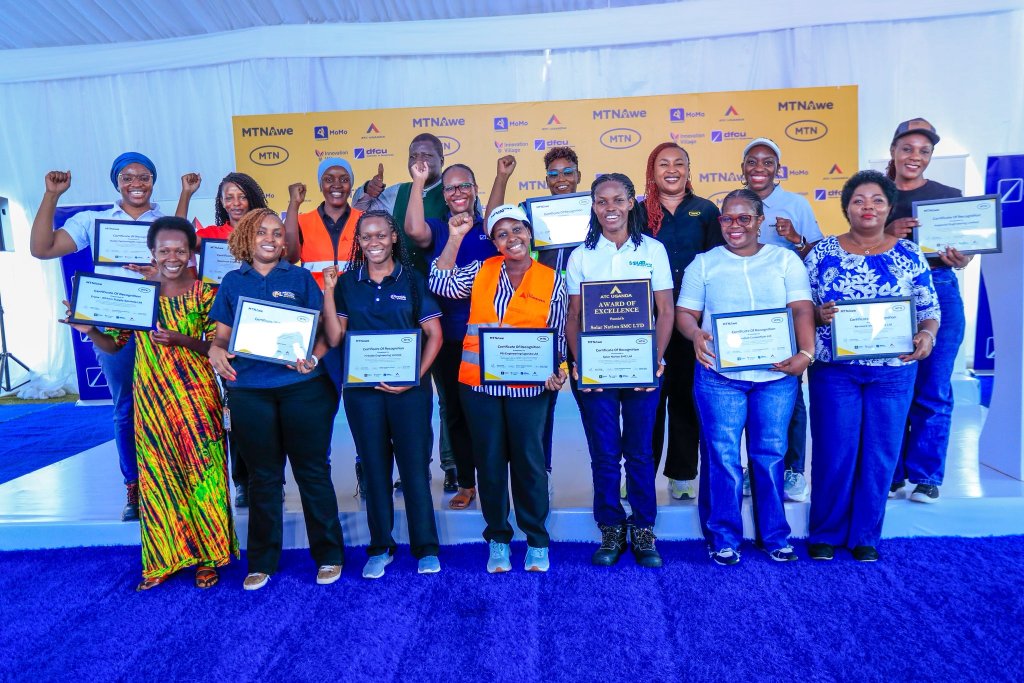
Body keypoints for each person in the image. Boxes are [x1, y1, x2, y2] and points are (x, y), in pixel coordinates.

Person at [67, 216, 237, 590]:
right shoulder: (138, 294)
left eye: (180, 249)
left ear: (192, 251)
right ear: (152, 253)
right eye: (164, 250)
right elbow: (114, 344)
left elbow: (219, 349)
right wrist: (90, 329)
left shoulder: (209, 293)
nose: (172, 256)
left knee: (203, 477)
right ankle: (165, 557)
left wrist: (181, 339)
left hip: (195, 399)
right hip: (152, 400)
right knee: (159, 479)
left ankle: (209, 556)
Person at [805, 170, 939, 562]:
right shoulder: (822, 252)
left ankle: (865, 534)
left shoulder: (910, 253)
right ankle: (826, 532)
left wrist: (926, 336)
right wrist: (816, 313)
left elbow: (929, 311)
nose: (868, 207)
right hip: (835, 370)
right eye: (859, 200)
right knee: (835, 451)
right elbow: (800, 310)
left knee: (880, 453)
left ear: (889, 207)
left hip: (894, 371)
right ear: (846, 206)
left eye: (877, 200)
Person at [675, 189, 815, 566]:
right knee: (722, 458)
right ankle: (723, 537)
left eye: (744, 218)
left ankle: (774, 536)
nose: (734, 226)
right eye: (727, 219)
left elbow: (802, 308)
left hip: (776, 376)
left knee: (769, 456)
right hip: (719, 375)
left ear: (759, 221)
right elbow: (685, 313)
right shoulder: (703, 264)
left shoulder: (785, 260)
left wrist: (806, 353)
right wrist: (694, 334)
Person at [209, 208, 345, 590]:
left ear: (285, 243)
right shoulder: (233, 282)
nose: (270, 238)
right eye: (262, 232)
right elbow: (221, 337)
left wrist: (315, 357)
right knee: (263, 478)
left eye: (277, 233)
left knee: (312, 472)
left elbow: (321, 333)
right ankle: (263, 561)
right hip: (250, 390)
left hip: (303, 389)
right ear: (247, 238)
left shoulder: (300, 278)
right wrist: (215, 352)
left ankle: (330, 554)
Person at [430, 204, 568, 573]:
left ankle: (537, 540)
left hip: (531, 387)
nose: (512, 239)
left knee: (530, 463)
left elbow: (557, 333)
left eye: (517, 230)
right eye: (502, 234)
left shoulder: (553, 278)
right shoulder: (481, 271)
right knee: (489, 464)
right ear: (493, 242)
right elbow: (440, 281)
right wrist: (456, 237)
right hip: (480, 387)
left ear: (529, 232)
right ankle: (498, 538)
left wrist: (560, 369)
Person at [30, 153, 165, 522]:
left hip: (161, 325)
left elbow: (185, 273)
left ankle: (166, 483)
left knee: (166, 407)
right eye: (127, 176)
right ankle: (134, 488)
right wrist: (51, 196)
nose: (136, 182)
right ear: (116, 182)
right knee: (125, 409)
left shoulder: (166, 221)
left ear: (154, 181)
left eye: (144, 176)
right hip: (114, 326)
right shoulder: (92, 220)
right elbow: (42, 249)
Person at [322, 211, 443, 578]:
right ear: (358, 242)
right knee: (373, 468)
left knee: (414, 470)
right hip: (363, 393)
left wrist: (414, 378)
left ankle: (426, 547)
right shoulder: (346, 283)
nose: (373, 243)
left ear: (393, 237)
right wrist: (328, 291)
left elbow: (435, 336)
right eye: (365, 237)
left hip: (410, 392)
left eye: (380, 235)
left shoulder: (412, 279)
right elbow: (336, 336)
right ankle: (380, 546)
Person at [565, 173, 673, 568]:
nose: (609, 208)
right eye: (600, 201)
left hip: (643, 369)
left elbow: (666, 312)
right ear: (593, 207)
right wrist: (581, 364)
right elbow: (574, 317)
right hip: (597, 374)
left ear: (632, 203)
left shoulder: (653, 250)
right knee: (605, 453)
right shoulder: (581, 256)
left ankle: (643, 527)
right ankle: (611, 525)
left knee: (640, 452)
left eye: (617, 200)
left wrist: (656, 358)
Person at [353, 134, 459, 492]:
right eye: (414, 154)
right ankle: (408, 469)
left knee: (444, 393)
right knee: (396, 386)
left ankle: (451, 464)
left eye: (428, 154)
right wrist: (368, 189)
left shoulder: (452, 189)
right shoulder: (395, 191)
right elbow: (361, 207)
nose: (421, 160)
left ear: (442, 158)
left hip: (441, 300)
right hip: (397, 298)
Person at [405, 160, 506, 509]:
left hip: (490, 337)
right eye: (450, 187)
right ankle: (466, 482)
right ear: (444, 196)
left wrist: (501, 177)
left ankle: (495, 481)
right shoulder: (438, 229)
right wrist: (418, 181)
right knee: (456, 412)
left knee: (492, 411)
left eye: (465, 185)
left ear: (475, 189)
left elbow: (495, 213)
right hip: (449, 338)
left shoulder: (492, 229)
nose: (458, 192)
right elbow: (413, 229)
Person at [884, 119, 970, 504]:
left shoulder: (948, 194)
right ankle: (893, 473)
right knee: (894, 387)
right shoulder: (875, 192)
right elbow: (858, 243)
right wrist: (890, 232)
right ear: (894, 151)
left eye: (924, 150)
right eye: (908, 148)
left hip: (940, 287)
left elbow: (963, 246)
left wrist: (961, 256)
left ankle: (926, 475)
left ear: (931, 156)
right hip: (888, 295)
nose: (915, 156)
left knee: (933, 387)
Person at [178, 171, 271, 508]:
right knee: (235, 406)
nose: (234, 203)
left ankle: (268, 475)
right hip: (222, 327)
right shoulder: (212, 235)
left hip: (259, 325)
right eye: (228, 197)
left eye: (241, 196)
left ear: (252, 198)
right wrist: (186, 195)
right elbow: (178, 237)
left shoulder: (266, 231)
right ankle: (242, 480)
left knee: (261, 402)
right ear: (220, 202)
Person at [740, 137, 823, 504]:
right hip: (742, 315)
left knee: (788, 391)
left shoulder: (796, 204)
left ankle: (793, 471)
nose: (759, 168)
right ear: (742, 168)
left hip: (784, 314)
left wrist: (797, 237)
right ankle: (753, 469)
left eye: (768, 162)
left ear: (779, 168)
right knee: (743, 389)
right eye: (752, 162)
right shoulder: (734, 203)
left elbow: (820, 256)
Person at [639, 142, 723, 501]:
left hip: (693, 322)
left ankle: (683, 473)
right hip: (647, 323)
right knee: (649, 400)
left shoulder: (706, 211)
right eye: (663, 164)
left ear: (689, 169)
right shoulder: (638, 212)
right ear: (652, 171)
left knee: (687, 400)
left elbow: (719, 264)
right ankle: (642, 474)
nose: (671, 170)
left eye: (679, 163)